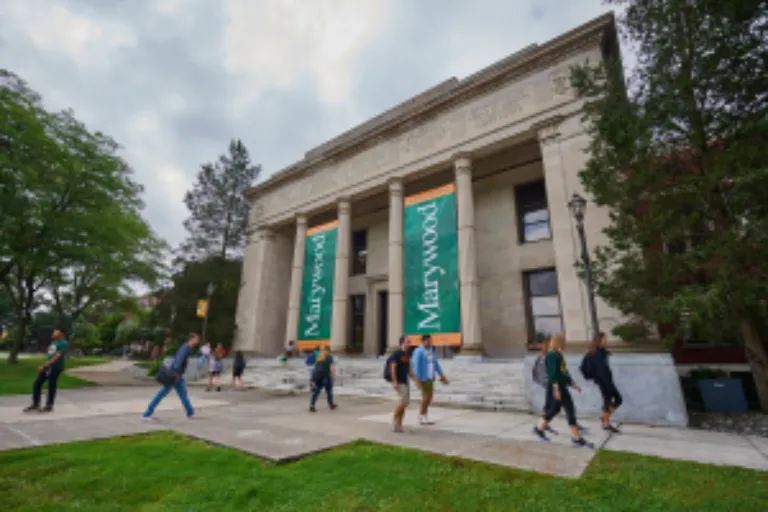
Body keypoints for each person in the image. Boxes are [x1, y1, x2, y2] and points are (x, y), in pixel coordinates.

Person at [532, 334, 594, 448]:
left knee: (563, 409)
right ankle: (576, 438)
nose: (565, 343)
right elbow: (553, 374)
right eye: (563, 341)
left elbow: (563, 372)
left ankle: (540, 429)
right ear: (558, 342)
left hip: (561, 386)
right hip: (555, 387)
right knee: (557, 409)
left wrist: (573, 384)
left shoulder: (558, 355)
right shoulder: (551, 355)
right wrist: (556, 389)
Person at [142, 333, 199, 420]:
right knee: (162, 394)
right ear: (191, 339)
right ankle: (147, 414)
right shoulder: (185, 348)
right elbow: (178, 361)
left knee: (183, 394)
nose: (197, 341)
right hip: (175, 375)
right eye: (196, 339)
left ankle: (190, 412)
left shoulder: (186, 347)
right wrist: (176, 374)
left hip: (177, 375)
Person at [23, 328, 69, 413]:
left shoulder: (63, 343)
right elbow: (50, 355)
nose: (54, 333)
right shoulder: (54, 342)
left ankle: (49, 405)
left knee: (51, 386)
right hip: (48, 366)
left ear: (61, 334)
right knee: (37, 383)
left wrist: (44, 366)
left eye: (56, 332)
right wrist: (46, 365)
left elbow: (56, 357)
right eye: (54, 332)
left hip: (55, 367)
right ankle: (36, 403)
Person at [410, 334, 448, 425]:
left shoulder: (431, 351)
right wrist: (417, 378)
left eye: (431, 341)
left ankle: (425, 416)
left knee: (429, 397)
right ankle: (421, 416)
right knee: (426, 396)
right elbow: (416, 365)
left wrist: (441, 375)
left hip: (430, 377)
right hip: (423, 377)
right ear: (423, 341)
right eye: (428, 341)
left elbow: (435, 363)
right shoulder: (419, 351)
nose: (430, 342)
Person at [590, 332, 623, 433]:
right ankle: (606, 423)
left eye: (606, 339)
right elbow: (600, 370)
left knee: (616, 399)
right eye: (604, 339)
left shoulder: (601, 351)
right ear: (599, 341)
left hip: (606, 381)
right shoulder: (598, 353)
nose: (606, 340)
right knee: (610, 400)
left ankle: (604, 417)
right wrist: (604, 382)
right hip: (604, 382)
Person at [387, 335, 418, 432]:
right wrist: (395, 382)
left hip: (405, 381)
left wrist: (415, 380)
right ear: (402, 343)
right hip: (399, 381)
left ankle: (399, 424)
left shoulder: (407, 355)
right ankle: (393, 419)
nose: (409, 343)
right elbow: (393, 368)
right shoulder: (396, 354)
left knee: (405, 403)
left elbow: (409, 369)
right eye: (408, 341)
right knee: (403, 402)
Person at [309, 346, 337, 412]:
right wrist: (334, 377)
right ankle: (331, 405)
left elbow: (315, 369)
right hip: (326, 377)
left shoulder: (319, 358)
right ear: (329, 351)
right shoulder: (329, 358)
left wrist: (313, 378)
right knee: (329, 392)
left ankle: (312, 405)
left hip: (318, 377)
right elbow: (332, 368)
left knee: (316, 392)